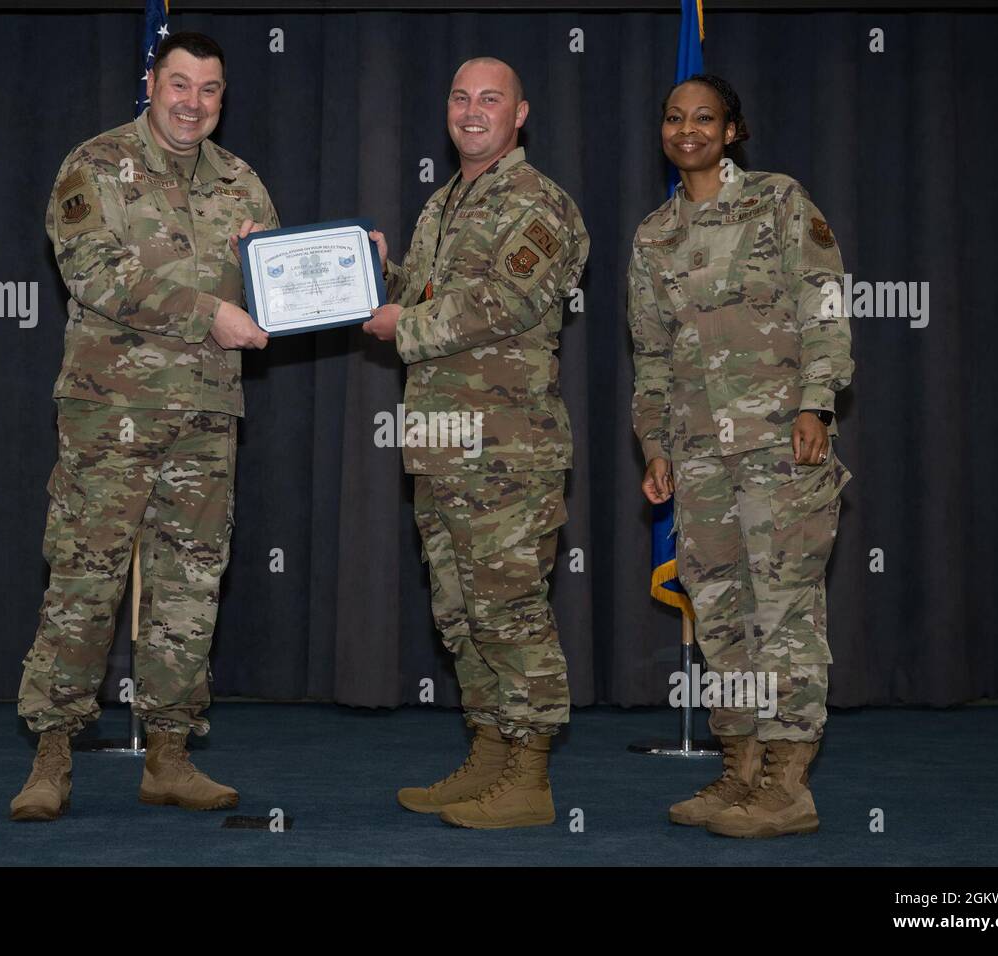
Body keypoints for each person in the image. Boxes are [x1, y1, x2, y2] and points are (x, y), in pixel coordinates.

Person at [10, 32, 277, 822]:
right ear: (152, 84)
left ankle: (169, 754)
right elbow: (95, 274)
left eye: (210, 89)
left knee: (189, 587)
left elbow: (272, 281)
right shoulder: (93, 166)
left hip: (205, 416)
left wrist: (354, 268)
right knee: (83, 583)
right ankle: (51, 754)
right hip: (110, 415)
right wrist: (209, 313)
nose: (193, 102)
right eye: (180, 84)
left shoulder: (241, 182)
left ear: (223, 99)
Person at [363, 57, 589, 829]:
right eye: (460, 96)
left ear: (519, 115)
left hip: (505, 450)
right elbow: (428, 298)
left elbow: (507, 299)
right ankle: (490, 756)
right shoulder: (443, 203)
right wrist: (369, 276)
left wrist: (407, 324)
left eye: (491, 99)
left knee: (511, 611)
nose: (472, 110)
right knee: (462, 615)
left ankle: (529, 779)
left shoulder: (538, 203)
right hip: (438, 443)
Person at [629, 74, 853, 838]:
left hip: (779, 444)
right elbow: (651, 356)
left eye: (704, 118)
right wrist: (654, 445)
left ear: (732, 131)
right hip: (697, 458)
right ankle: (741, 772)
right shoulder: (653, 236)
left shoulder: (779, 201)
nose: (687, 129)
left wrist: (817, 402)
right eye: (673, 117)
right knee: (723, 616)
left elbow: (824, 303)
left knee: (784, 613)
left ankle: (789, 786)